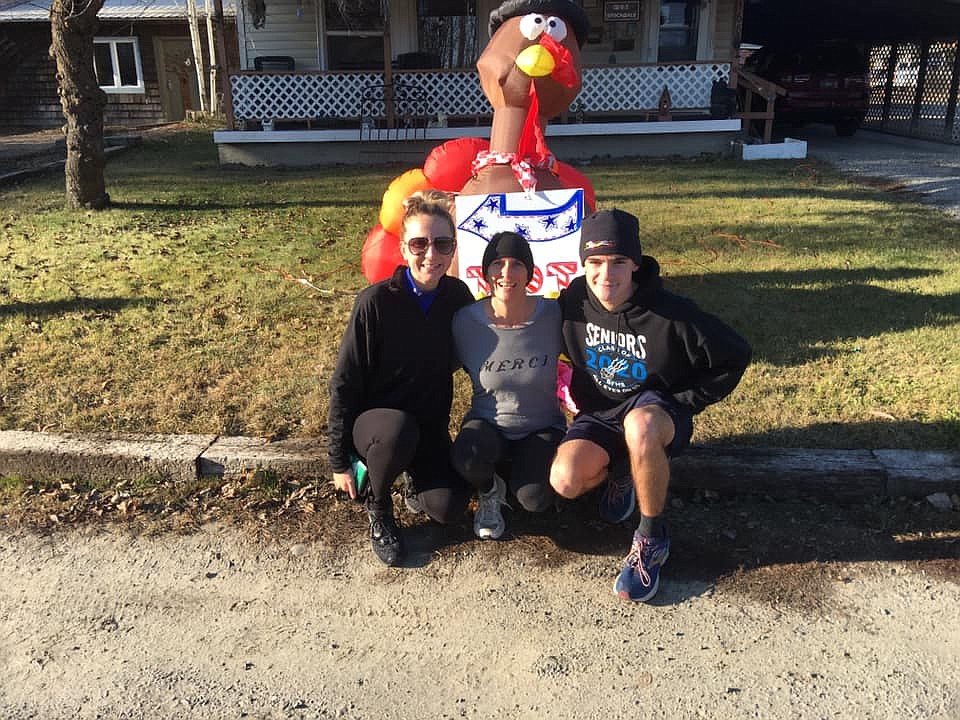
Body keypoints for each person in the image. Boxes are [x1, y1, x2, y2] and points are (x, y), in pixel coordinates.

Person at [550, 209, 751, 602]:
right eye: (594, 262)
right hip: (600, 414)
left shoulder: (671, 313)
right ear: (583, 263)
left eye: (618, 262)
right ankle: (625, 470)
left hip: (654, 412)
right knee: (565, 480)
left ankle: (651, 537)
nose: (605, 275)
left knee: (640, 428)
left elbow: (735, 354)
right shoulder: (573, 301)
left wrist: (683, 401)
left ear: (635, 263)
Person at [328, 190, 475, 566]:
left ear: (453, 248)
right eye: (420, 243)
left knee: (448, 509)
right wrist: (339, 461)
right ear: (403, 249)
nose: (432, 254)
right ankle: (379, 509)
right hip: (377, 426)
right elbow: (345, 381)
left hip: (428, 428)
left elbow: (475, 354)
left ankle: (411, 475)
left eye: (443, 244)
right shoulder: (374, 302)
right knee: (397, 430)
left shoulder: (458, 297)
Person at [451, 232, 565, 540]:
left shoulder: (554, 315)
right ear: (486, 271)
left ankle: (520, 477)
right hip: (489, 422)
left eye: (516, 264)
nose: (506, 272)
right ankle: (489, 490)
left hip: (542, 425)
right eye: (497, 263)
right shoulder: (464, 322)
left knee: (534, 499)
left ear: (529, 272)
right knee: (466, 456)